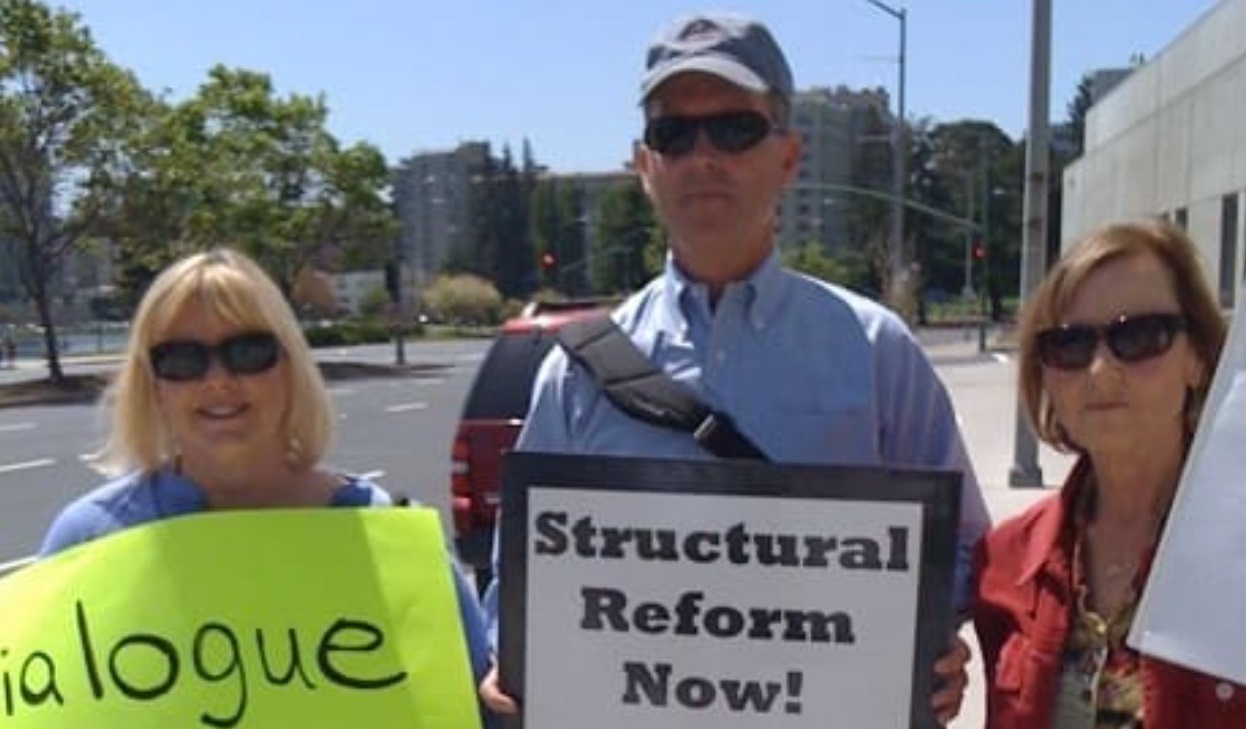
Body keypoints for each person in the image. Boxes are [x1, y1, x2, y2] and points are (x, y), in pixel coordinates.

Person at [479, 11, 990, 724]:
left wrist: (924, 646)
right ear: (643, 165)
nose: (702, 155)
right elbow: (522, 564)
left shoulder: (875, 349)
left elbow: (962, 542)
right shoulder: (575, 371)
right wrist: (514, 651)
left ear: (787, 156)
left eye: (734, 127)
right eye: (673, 133)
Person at [38, 248, 495, 724]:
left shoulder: (384, 535)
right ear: (153, 384)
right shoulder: (89, 539)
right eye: (182, 359)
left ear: (290, 366)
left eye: (248, 352)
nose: (218, 380)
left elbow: (473, 706)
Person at [972, 220, 1246, 727]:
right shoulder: (1005, 561)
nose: (1101, 371)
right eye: (1070, 346)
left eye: (1141, 335)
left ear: (1198, 359)